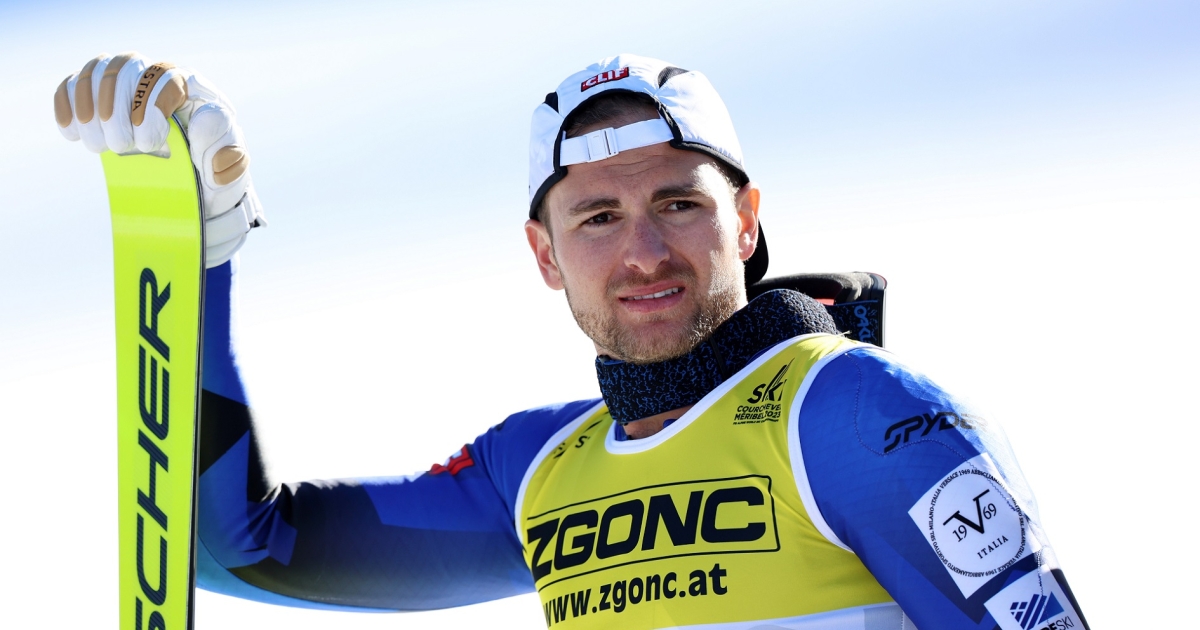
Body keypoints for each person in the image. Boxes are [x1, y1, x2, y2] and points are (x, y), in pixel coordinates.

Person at [55, 52, 1088, 630]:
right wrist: (203, 253)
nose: (644, 251)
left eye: (679, 203)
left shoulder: (855, 415)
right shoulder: (537, 468)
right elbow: (224, 552)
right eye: (597, 217)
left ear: (745, 220)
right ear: (545, 254)